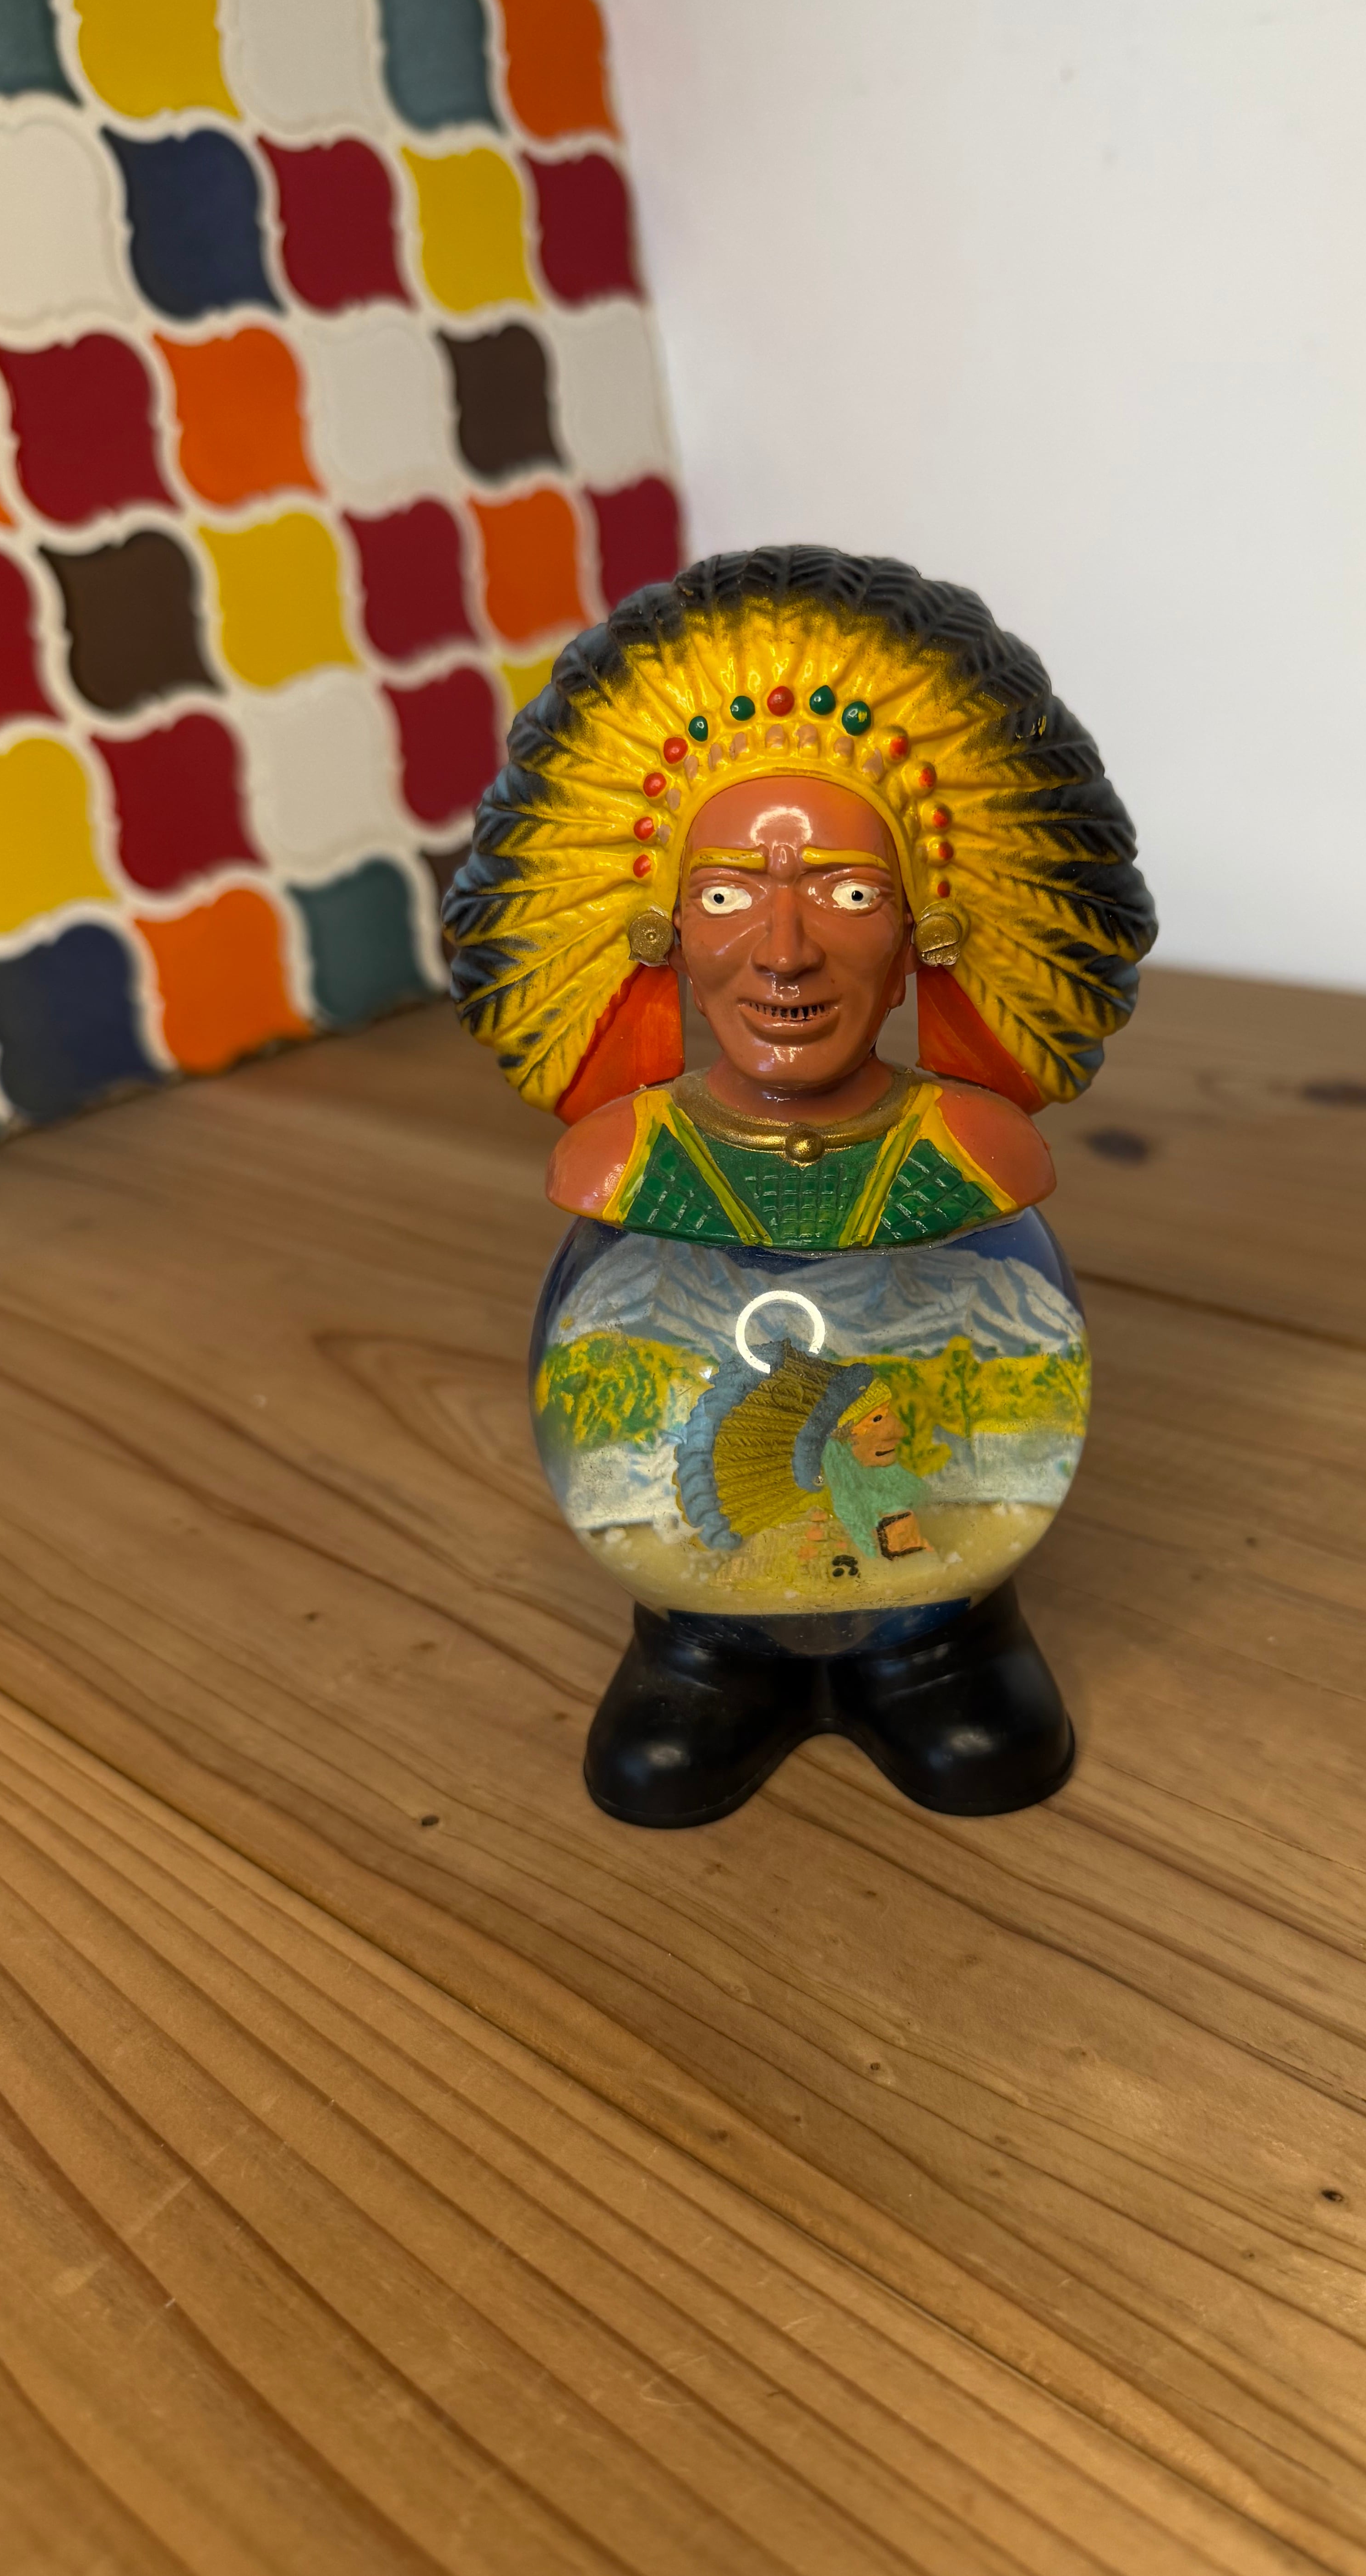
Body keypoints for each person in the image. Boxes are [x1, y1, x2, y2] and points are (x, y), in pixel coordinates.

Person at [445, 545, 1155, 1826]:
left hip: (929, 1577)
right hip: (709, 1588)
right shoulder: (628, 1165)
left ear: (923, 929)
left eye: (848, 893)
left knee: (964, 1706)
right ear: (662, 927)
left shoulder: (968, 1161)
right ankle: (704, 1653)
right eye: (726, 894)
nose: (783, 953)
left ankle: (934, 1645)